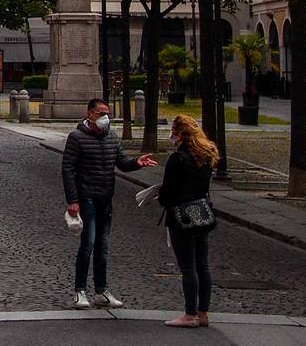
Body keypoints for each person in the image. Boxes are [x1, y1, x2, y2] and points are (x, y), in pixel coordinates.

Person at [62, 98, 157, 309]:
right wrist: (73, 200)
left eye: (107, 113)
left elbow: (121, 162)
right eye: (100, 113)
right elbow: (67, 170)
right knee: (88, 243)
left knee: (103, 246)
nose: (105, 117)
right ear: (90, 114)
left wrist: (136, 163)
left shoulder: (112, 137)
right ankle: (80, 291)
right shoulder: (76, 137)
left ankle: (101, 290)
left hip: (106, 197)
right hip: (86, 196)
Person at [157, 113, 218, 327]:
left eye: (173, 130)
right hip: (201, 213)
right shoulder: (207, 155)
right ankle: (203, 313)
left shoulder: (178, 159)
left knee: (188, 267)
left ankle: (189, 314)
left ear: (181, 134)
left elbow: (167, 193)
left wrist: (161, 196)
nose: (171, 134)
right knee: (203, 264)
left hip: (181, 216)